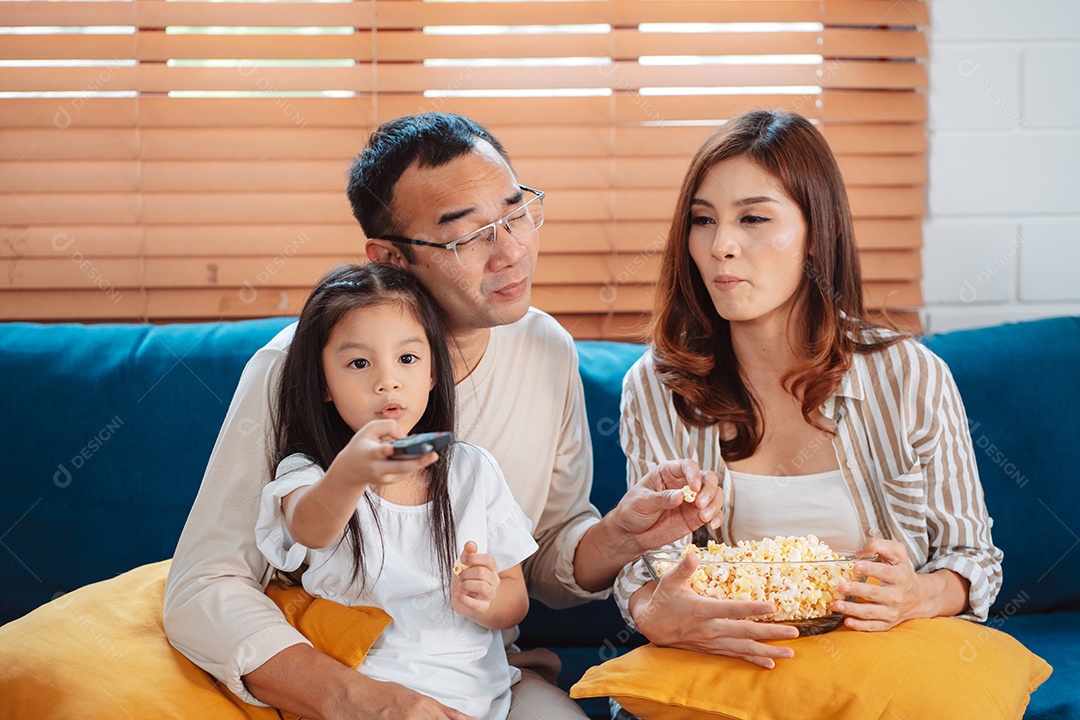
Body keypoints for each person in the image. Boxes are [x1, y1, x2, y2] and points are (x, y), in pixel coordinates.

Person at [164, 112, 723, 720]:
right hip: (344, 676)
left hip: (486, 678)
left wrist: (618, 536)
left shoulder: (545, 349)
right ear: (390, 258)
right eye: (466, 237)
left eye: (514, 215)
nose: (510, 252)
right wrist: (363, 702)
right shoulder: (293, 370)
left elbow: (537, 561)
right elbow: (202, 587)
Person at [613, 109, 1004, 671]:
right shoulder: (656, 386)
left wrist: (919, 594)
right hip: (732, 668)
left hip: (880, 665)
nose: (721, 244)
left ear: (820, 233)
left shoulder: (909, 375)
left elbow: (975, 560)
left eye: (752, 219)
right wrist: (654, 609)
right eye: (703, 220)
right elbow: (646, 568)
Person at [256, 262, 537, 720]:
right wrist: (350, 474)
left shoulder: (473, 471)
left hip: (479, 700)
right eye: (359, 363)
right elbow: (309, 528)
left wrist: (488, 599)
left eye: (407, 359)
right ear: (323, 384)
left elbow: (515, 597)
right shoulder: (311, 473)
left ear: (431, 372)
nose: (387, 380)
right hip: (365, 700)